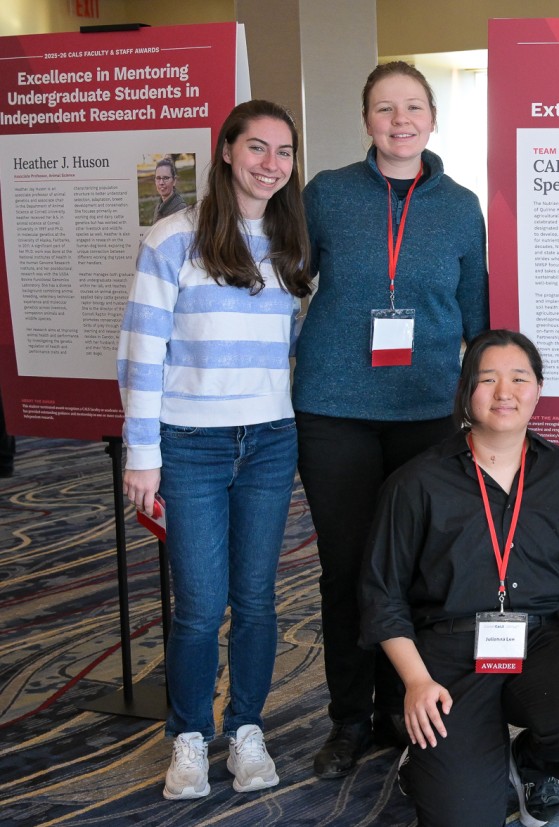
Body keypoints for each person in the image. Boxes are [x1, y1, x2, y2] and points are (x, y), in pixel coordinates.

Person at [295, 60, 489, 780]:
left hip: (426, 410)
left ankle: (411, 705)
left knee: (412, 570)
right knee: (346, 568)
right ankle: (351, 719)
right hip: (334, 409)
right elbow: (286, 282)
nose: (399, 120)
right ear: (366, 119)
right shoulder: (327, 195)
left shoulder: (461, 205)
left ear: (434, 118)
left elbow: (477, 319)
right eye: (384, 108)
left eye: (413, 107)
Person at [118, 100, 311, 800]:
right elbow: (141, 352)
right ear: (226, 151)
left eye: (284, 152)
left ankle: (248, 727)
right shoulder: (173, 237)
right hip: (190, 445)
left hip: (268, 440)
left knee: (257, 599)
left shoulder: (290, 240)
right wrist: (143, 454)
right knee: (200, 603)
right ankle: (191, 736)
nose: (270, 164)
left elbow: (287, 347)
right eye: (256, 147)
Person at [360, 329, 559, 827]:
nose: (505, 392)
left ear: (538, 390)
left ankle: (534, 769)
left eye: (519, 378)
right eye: (488, 379)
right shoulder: (417, 482)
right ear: (465, 392)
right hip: (447, 651)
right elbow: (381, 592)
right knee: (461, 818)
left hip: (541, 635)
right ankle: (428, 762)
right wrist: (415, 682)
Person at [151, 156, 187, 223]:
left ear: (174, 181)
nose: (161, 182)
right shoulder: (159, 206)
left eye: (165, 178)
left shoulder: (180, 209)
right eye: (158, 178)